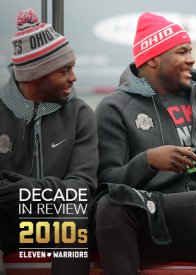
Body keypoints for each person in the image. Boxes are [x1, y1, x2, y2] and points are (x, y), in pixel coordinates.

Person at [92, 12, 196, 275]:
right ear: (152, 58)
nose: (191, 59)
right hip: (146, 224)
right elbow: (106, 179)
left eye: (191, 50)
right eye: (182, 51)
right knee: (109, 205)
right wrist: (148, 161)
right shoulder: (114, 107)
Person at [0, 9, 98, 275]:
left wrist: (29, 190)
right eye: (64, 70)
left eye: (72, 67)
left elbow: (82, 187)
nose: (73, 78)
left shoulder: (80, 114)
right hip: (7, 221)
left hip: (55, 220)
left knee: (74, 215)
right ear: (35, 76)